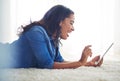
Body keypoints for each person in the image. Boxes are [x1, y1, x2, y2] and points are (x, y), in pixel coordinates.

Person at [0, 5, 103, 69]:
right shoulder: (37, 32)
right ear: (60, 21)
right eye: (71, 23)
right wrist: (80, 62)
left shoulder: (53, 39)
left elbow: (60, 62)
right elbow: (47, 65)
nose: (73, 28)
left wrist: (87, 63)